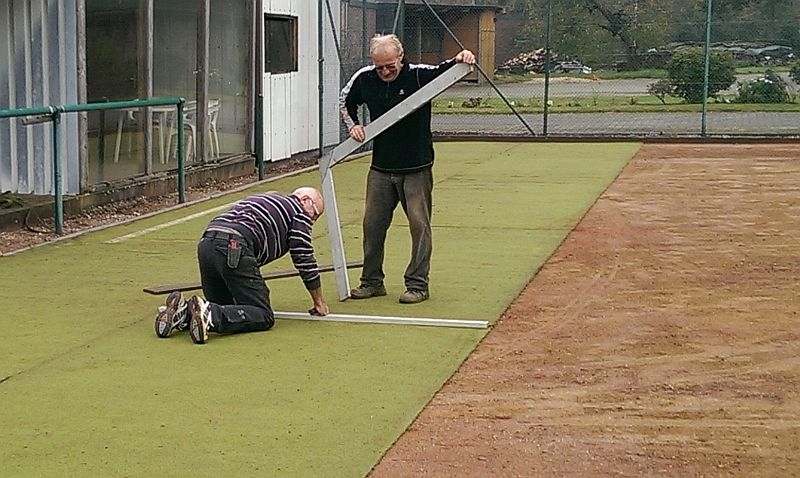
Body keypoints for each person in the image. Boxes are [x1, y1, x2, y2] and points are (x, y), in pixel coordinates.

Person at [339, 33, 475, 304]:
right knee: (372, 225)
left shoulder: (418, 74)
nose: (385, 71)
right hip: (380, 167)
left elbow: (448, 69)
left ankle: (417, 285)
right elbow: (345, 102)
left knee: (419, 226)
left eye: (390, 65)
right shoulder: (364, 78)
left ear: (401, 57)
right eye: (380, 67)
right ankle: (371, 282)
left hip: (417, 167)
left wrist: (464, 57)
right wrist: (352, 124)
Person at [154, 187, 330, 344]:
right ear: (305, 200)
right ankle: (210, 313)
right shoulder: (298, 212)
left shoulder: (267, 198)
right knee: (263, 314)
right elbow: (303, 256)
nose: (312, 221)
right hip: (235, 245)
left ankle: (184, 313)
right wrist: (319, 301)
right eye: (315, 214)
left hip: (207, 243)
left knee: (226, 306)